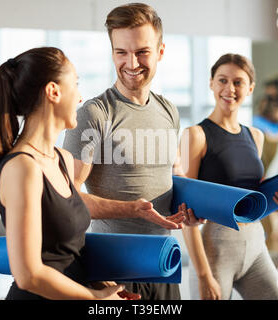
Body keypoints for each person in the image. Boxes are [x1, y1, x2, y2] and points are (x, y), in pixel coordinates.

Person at [0, 47, 140, 300]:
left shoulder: (61, 159)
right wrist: (94, 298)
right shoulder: (22, 168)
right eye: (75, 84)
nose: (80, 97)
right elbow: (28, 274)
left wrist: (105, 288)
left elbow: (69, 248)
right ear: (53, 91)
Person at [63, 3, 197, 300]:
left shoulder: (168, 110)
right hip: (113, 270)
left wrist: (191, 210)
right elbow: (66, 200)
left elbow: (172, 178)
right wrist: (131, 209)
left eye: (142, 52)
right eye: (121, 52)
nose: (131, 63)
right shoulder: (94, 114)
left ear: (161, 51)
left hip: (162, 263)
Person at [179, 53, 278, 300]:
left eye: (238, 82)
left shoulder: (256, 136)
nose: (229, 89)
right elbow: (185, 213)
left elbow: (254, 200)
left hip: (255, 244)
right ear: (211, 83)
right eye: (222, 80)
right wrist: (203, 275)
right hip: (215, 250)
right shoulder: (195, 135)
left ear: (250, 88)